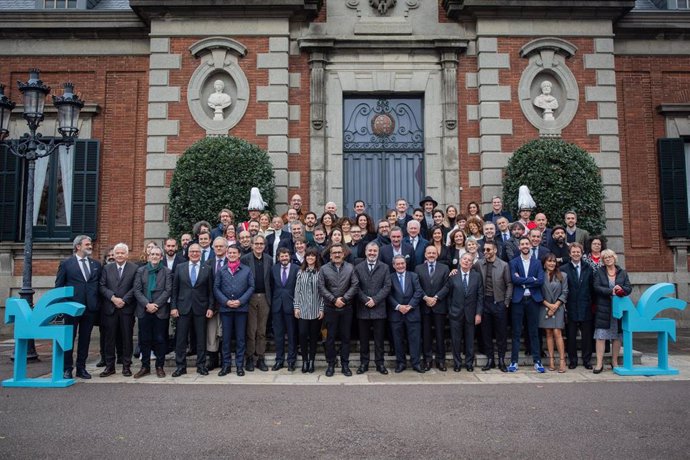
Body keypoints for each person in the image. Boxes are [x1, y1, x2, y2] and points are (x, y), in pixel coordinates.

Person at [56, 235, 101, 380]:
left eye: (90, 244)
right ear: (78, 246)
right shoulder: (66, 264)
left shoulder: (96, 264)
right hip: (71, 308)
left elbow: (98, 286)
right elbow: (59, 287)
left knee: (85, 339)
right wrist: (62, 306)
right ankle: (67, 368)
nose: (90, 246)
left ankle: (81, 368)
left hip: (89, 309)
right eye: (87, 244)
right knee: (69, 338)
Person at [170, 243, 215, 377]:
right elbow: (174, 290)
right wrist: (173, 307)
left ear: (200, 253)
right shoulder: (180, 267)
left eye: (197, 251)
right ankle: (180, 366)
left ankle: (201, 366)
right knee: (181, 339)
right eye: (192, 251)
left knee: (201, 339)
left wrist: (210, 307)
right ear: (188, 253)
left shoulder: (207, 268)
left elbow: (210, 291)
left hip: (201, 308)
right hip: (183, 308)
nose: (195, 253)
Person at [318, 243, 359, 377]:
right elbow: (321, 287)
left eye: (339, 253)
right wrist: (334, 299)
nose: (336, 255)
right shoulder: (324, 269)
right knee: (329, 338)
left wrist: (344, 299)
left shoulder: (350, 268)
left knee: (346, 338)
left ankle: (345, 365)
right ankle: (330, 364)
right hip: (330, 308)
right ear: (330, 255)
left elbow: (355, 284)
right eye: (334, 253)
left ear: (343, 254)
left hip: (346, 308)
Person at [214, 244, 254, 377]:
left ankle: (239, 365)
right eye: (229, 253)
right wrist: (226, 301)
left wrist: (240, 301)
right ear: (226, 254)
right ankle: (226, 365)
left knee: (240, 338)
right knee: (226, 339)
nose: (231, 255)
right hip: (226, 309)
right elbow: (216, 288)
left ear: (239, 255)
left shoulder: (246, 270)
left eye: (234, 253)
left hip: (241, 309)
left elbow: (251, 287)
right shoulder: (221, 270)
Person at [98, 242, 138, 378]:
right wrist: (113, 298)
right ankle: (110, 367)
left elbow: (135, 287)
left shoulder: (134, 268)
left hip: (127, 309)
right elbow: (102, 286)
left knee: (127, 339)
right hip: (110, 309)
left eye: (122, 253)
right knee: (109, 339)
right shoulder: (107, 269)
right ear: (113, 255)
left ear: (127, 255)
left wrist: (124, 300)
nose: (120, 255)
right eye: (117, 253)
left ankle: (126, 366)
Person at [133, 245, 172, 379]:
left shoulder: (166, 272)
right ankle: (145, 367)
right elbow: (137, 290)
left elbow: (168, 290)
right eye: (152, 254)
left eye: (157, 255)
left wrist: (156, 304)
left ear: (161, 257)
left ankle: (159, 366)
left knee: (160, 339)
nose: (154, 257)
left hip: (160, 311)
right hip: (144, 310)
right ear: (149, 256)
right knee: (144, 339)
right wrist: (147, 304)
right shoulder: (140, 271)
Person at [354, 242, 392, 375]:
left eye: (374, 251)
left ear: (378, 252)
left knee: (379, 340)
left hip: (379, 308)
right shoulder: (358, 267)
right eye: (370, 251)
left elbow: (387, 286)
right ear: (365, 252)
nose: (372, 253)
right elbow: (356, 287)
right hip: (363, 308)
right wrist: (365, 299)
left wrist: (375, 300)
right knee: (363, 340)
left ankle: (379, 364)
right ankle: (364, 363)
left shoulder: (385, 267)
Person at [508, 236, 546, 373]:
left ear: (530, 246)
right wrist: (531, 280)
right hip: (518, 300)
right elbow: (514, 279)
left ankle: (537, 361)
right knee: (516, 332)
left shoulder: (537, 262)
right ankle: (514, 361)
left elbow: (540, 280)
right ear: (519, 247)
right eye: (522, 244)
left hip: (533, 300)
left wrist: (523, 280)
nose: (524, 246)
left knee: (534, 332)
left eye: (526, 244)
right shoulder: (513, 262)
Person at [474, 240, 512, 372]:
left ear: (495, 250)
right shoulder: (479, 264)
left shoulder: (504, 265)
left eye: (488, 250)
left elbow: (509, 284)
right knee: (486, 333)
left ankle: (501, 359)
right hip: (485, 303)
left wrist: (506, 302)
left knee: (501, 333)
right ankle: (490, 359)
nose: (485, 252)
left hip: (499, 303)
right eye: (484, 250)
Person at [592, 249, 631, 374]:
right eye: (605, 258)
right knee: (601, 335)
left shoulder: (622, 273)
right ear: (603, 260)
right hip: (604, 308)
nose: (608, 259)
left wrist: (621, 289)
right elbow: (596, 287)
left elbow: (629, 288)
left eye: (610, 257)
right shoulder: (599, 272)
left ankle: (614, 361)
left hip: (618, 308)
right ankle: (599, 363)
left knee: (617, 336)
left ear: (614, 258)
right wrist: (611, 291)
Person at [387, 255, 425, 373]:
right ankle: (401, 363)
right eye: (397, 264)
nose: (400, 266)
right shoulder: (390, 277)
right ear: (393, 265)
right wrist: (398, 307)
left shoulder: (413, 276)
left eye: (402, 263)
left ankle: (416, 363)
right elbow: (388, 294)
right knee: (398, 340)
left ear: (405, 264)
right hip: (396, 314)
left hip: (412, 313)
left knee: (415, 340)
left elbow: (418, 291)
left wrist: (410, 306)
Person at [446, 253, 483, 372]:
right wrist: (450, 310)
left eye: (469, 260)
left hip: (471, 314)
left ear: (472, 264)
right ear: (460, 261)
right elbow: (448, 296)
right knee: (456, 340)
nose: (466, 261)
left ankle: (469, 363)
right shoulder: (453, 275)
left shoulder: (477, 276)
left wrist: (478, 313)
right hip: (455, 314)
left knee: (470, 340)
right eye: (464, 259)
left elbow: (480, 296)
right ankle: (457, 363)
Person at [415, 245, 450, 371]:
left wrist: (436, 297)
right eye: (428, 253)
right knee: (426, 335)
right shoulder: (418, 268)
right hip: (424, 306)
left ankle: (441, 360)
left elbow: (447, 285)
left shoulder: (445, 268)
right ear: (425, 254)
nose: (431, 255)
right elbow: (417, 285)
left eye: (433, 253)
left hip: (439, 305)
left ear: (437, 255)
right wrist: (425, 297)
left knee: (440, 335)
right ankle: (427, 360)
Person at [241, 234, 272, 372]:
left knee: (261, 330)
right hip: (250, 298)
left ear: (264, 246)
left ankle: (260, 358)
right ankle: (249, 358)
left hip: (265, 297)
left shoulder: (269, 260)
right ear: (252, 245)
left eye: (261, 244)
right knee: (251, 330)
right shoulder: (245, 259)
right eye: (256, 244)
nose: (259, 246)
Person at [561, 242, 594, 370]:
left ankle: (587, 360)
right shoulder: (564, 269)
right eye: (573, 252)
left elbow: (592, 287)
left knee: (587, 336)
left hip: (586, 306)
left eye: (578, 252)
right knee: (571, 336)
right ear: (569, 254)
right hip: (570, 306)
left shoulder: (588, 268)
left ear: (582, 253)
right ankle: (573, 360)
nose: (576, 254)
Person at [293, 248, 325, 373]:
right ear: (305, 258)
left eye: (313, 256)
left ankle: (311, 361)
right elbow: (297, 291)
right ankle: (305, 360)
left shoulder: (320, 272)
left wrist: (322, 308)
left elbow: (323, 292)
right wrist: (296, 307)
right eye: (308, 256)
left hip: (316, 309)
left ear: (316, 258)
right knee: (302, 334)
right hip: (303, 309)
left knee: (313, 337)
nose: (310, 258)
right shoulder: (301, 272)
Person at [270, 247, 300, 371]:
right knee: (278, 335)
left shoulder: (297, 269)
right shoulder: (273, 269)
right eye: (281, 256)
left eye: (286, 255)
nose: (284, 258)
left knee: (292, 335)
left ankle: (291, 361)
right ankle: (279, 360)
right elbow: (271, 286)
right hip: (277, 306)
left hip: (291, 306)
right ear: (278, 258)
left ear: (290, 256)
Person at [540, 254, 569, 373]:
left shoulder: (563, 275)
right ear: (544, 263)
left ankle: (562, 360)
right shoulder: (540, 276)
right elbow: (537, 293)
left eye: (553, 262)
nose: (551, 264)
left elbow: (565, 292)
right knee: (548, 332)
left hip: (559, 307)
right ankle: (551, 360)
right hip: (544, 307)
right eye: (549, 261)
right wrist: (549, 305)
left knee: (558, 332)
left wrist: (555, 306)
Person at [205, 237, 227, 370]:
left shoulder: (231, 262)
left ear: (226, 248)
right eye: (216, 246)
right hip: (212, 305)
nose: (218, 248)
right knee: (211, 333)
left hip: (226, 304)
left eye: (221, 246)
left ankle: (225, 360)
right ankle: (212, 360)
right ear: (213, 248)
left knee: (225, 332)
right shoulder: (208, 263)